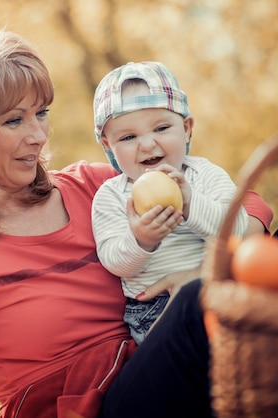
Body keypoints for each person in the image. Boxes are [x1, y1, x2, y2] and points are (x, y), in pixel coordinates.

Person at [0, 29, 275, 418]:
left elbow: (250, 205)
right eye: (14, 120)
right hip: (78, 409)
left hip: (151, 366)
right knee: (193, 305)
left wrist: (203, 271)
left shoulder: (93, 188)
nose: (39, 135)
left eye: (41, 113)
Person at [91, 61, 250, 344]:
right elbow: (114, 260)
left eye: (161, 128)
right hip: (155, 310)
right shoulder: (111, 196)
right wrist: (142, 240)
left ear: (187, 128)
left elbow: (237, 229)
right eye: (128, 137)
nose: (148, 144)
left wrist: (190, 203)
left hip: (219, 289)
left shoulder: (206, 175)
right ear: (108, 145)